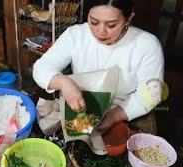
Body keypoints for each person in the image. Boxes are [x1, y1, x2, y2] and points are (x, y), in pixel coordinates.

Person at [33, 0, 164, 134]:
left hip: (126, 113)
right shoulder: (76, 35)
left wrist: (115, 115)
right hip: (82, 110)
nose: (101, 32)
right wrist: (64, 83)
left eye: (112, 25)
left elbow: (150, 95)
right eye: (94, 22)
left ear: (128, 19)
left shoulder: (147, 45)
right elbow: (41, 68)